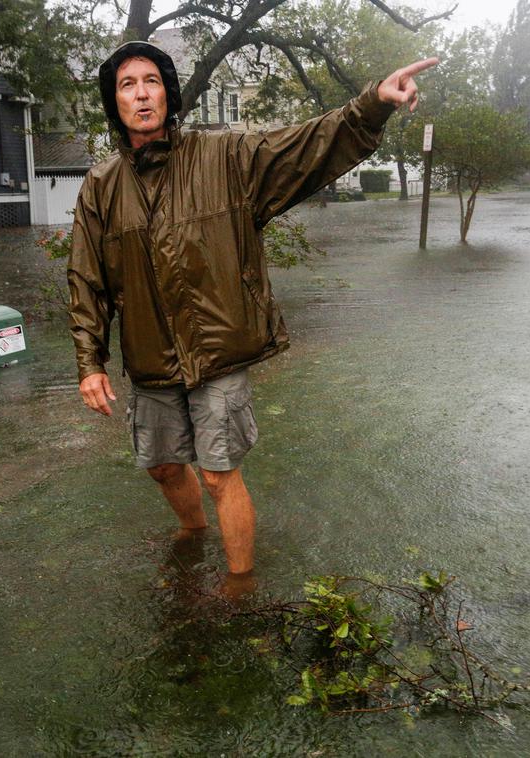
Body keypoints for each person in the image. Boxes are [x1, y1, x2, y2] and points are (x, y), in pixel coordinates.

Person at [68, 40, 437, 588]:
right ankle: (192, 536)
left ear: (167, 93)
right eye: (127, 85)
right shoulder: (101, 186)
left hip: (219, 349)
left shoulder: (224, 157)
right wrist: (89, 361)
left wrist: (372, 104)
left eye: (151, 81)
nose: (142, 94)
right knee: (164, 467)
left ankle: (240, 585)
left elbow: (304, 147)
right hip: (149, 357)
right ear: (114, 102)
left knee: (219, 475)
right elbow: (87, 277)